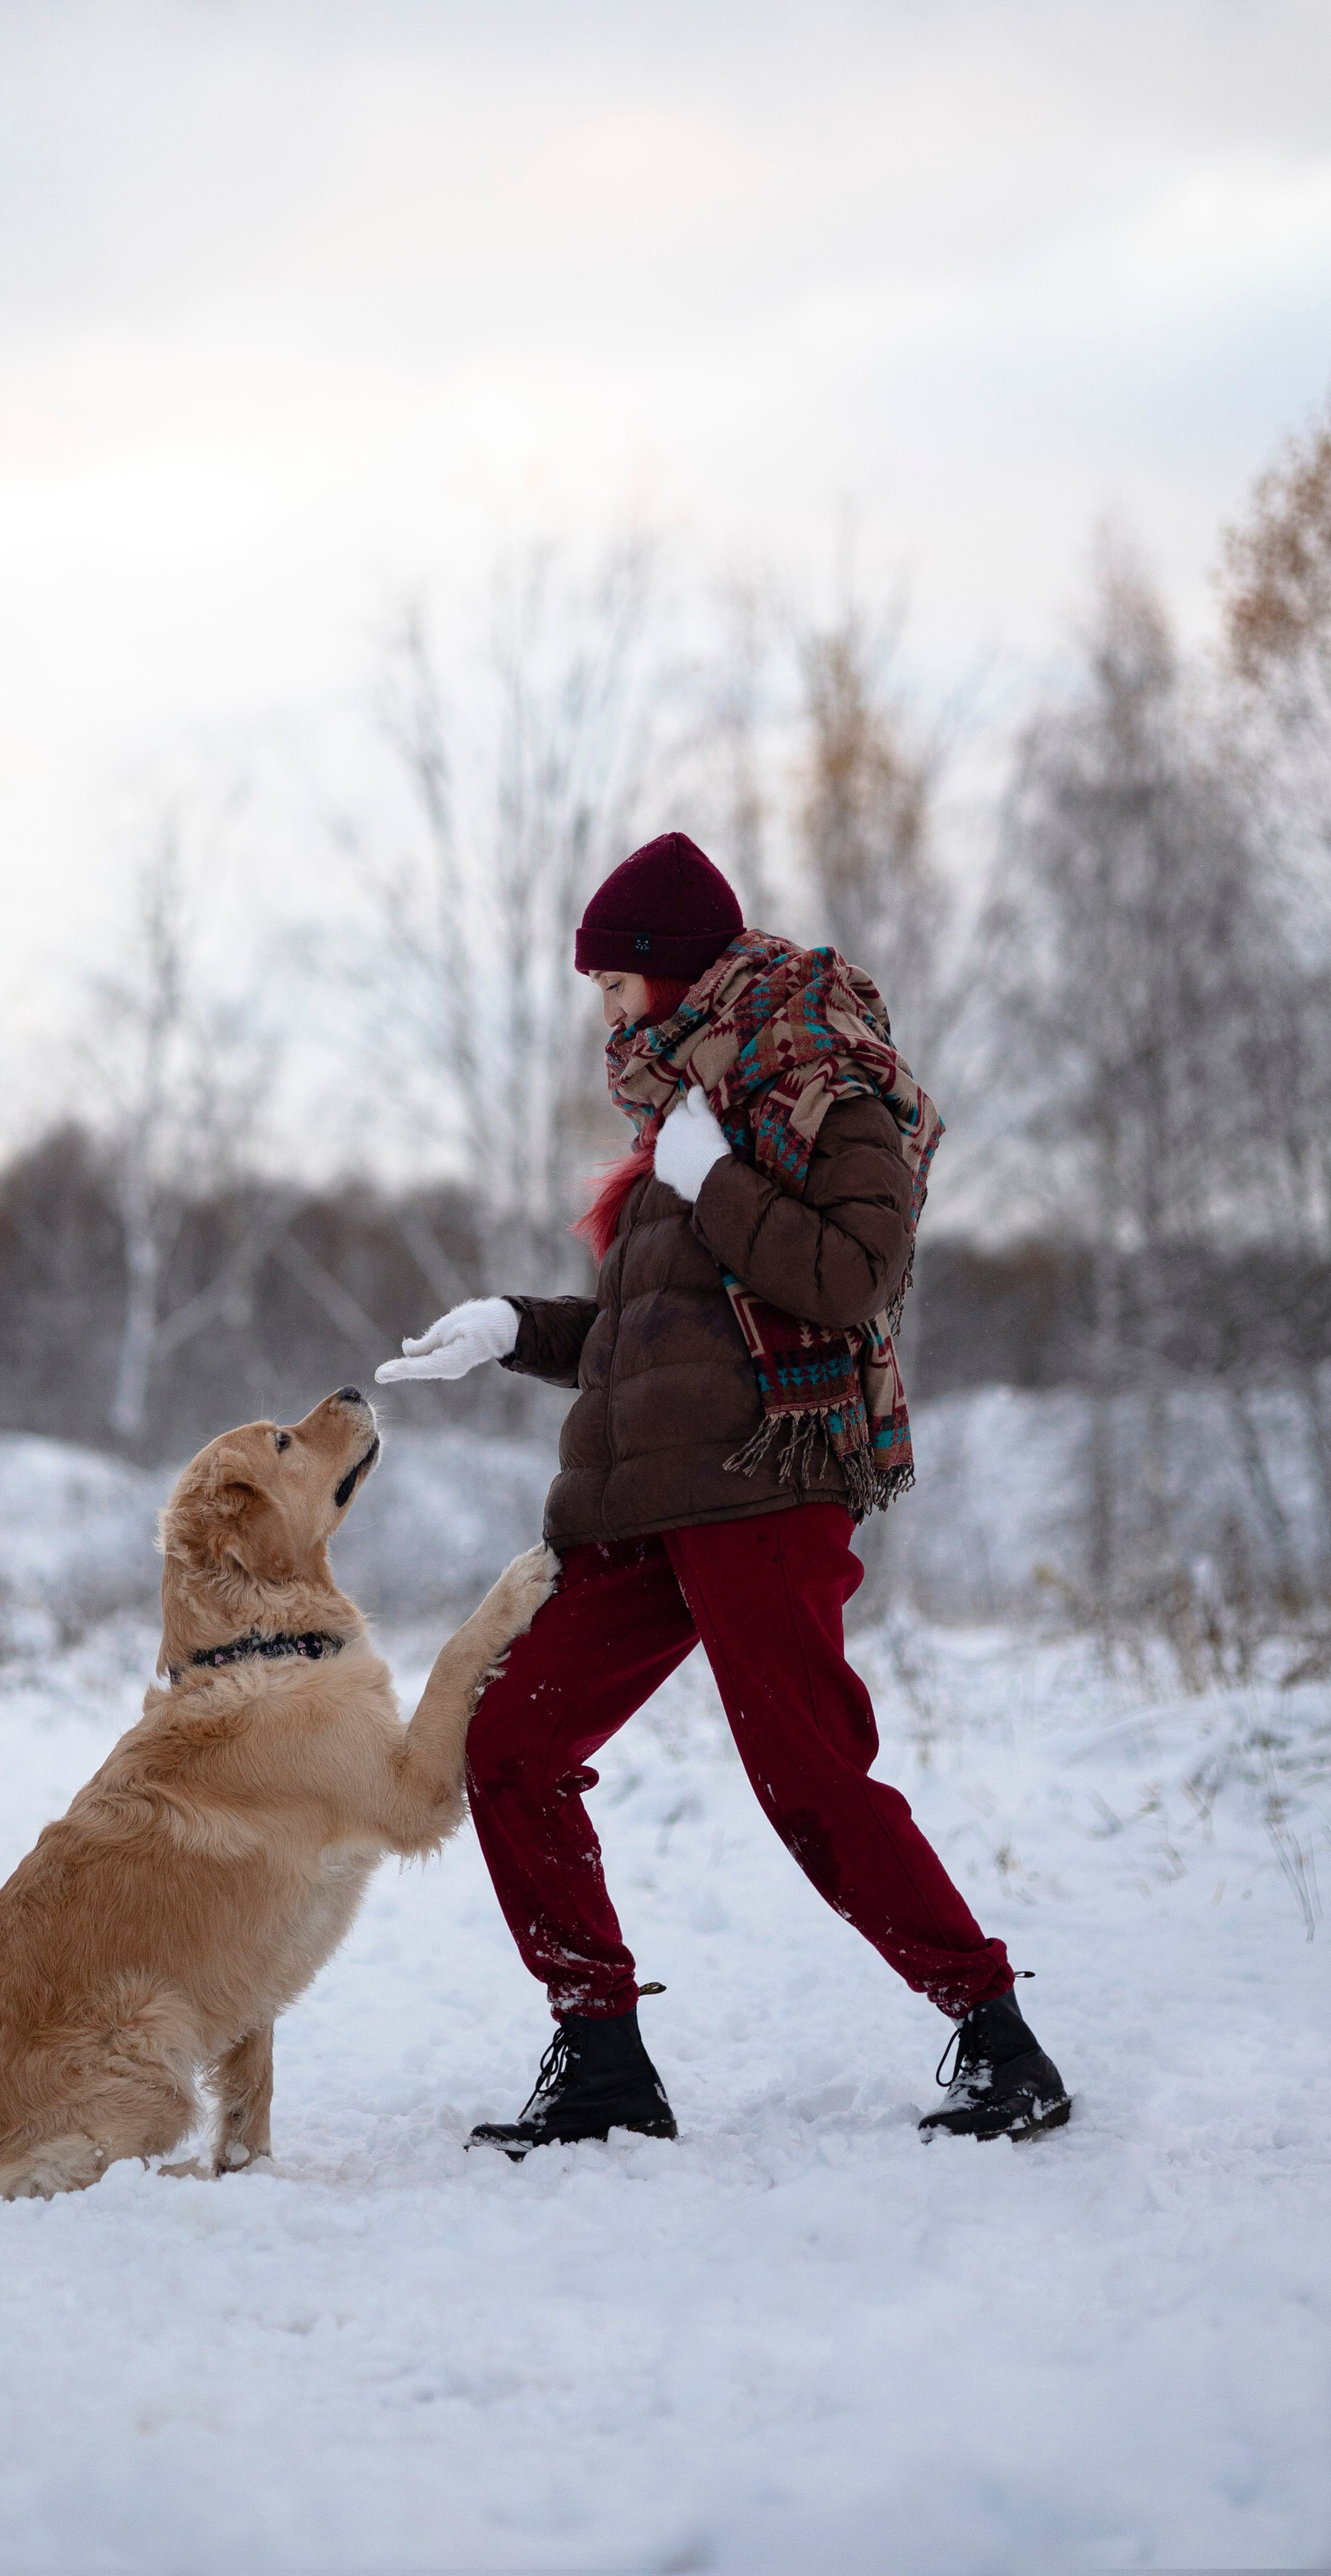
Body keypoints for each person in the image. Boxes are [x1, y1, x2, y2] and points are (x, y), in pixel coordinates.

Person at [377, 830, 1069, 2156]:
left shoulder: (818, 1081)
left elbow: (856, 1275)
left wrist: (713, 1178)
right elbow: (661, 1355)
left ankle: (998, 2040)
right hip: (646, 1505)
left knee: (809, 1776)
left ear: (668, 968)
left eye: (611, 984)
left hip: (767, 1488)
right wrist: (514, 1329)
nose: (604, 1012)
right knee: (510, 1741)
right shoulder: (681, 1119)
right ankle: (600, 2062)